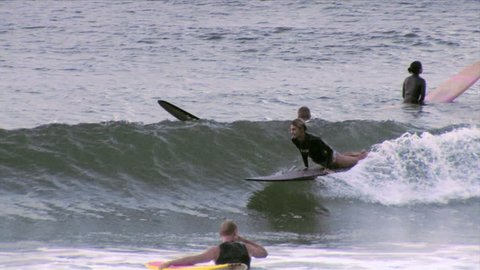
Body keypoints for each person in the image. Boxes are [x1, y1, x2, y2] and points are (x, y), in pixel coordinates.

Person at [159, 220, 267, 269]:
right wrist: (245, 240)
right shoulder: (247, 248)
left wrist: (170, 263)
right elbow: (264, 253)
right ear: (235, 232)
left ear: (220, 234)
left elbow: (193, 259)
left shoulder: (216, 250)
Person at [290, 118, 367, 170]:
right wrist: (306, 167)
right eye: (291, 129)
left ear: (301, 129)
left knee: (357, 160)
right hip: (323, 162)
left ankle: (365, 155)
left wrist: (327, 168)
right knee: (343, 156)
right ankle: (359, 153)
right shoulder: (295, 140)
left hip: (333, 159)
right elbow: (303, 152)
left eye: (294, 129)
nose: (291, 132)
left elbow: (329, 151)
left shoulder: (314, 140)